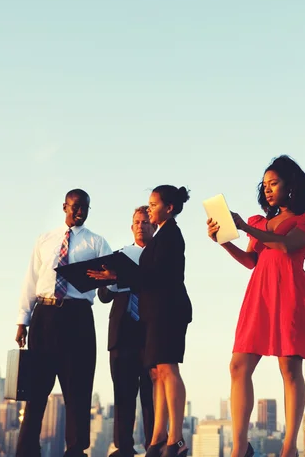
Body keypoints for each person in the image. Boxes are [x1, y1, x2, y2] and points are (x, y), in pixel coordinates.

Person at [207, 155, 305, 457]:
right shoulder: (260, 222)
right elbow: (252, 261)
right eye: (266, 184)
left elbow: (287, 246)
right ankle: (239, 448)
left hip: (290, 293)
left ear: (292, 186)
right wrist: (223, 240)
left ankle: (289, 449)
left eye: (275, 183)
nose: (269, 189)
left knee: (289, 368)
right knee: (238, 366)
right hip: (259, 294)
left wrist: (245, 227)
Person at [90, 185, 192, 457]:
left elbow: (157, 277)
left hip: (167, 313)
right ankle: (158, 438)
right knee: (158, 375)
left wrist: (117, 277)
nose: (149, 210)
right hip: (155, 314)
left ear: (168, 207)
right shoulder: (162, 237)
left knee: (168, 372)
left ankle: (175, 438)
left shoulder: (169, 235)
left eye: (153, 205)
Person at [15, 189, 112, 457]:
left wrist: (108, 278)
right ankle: (25, 451)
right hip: (44, 317)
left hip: (78, 317)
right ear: (65, 207)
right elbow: (31, 281)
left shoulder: (97, 242)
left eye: (86, 208)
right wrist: (22, 321)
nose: (80, 212)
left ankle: (75, 451)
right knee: (35, 390)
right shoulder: (44, 240)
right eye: (76, 206)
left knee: (78, 390)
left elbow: (110, 279)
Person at [97, 206, 156, 457]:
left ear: (154, 226)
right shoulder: (118, 255)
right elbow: (102, 296)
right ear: (131, 227)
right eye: (136, 222)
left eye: (145, 222)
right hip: (122, 332)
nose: (140, 226)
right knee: (123, 393)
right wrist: (109, 283)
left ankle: (155, 444)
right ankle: (124, 448)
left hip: (151, 330)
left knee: (152, 395)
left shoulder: (160, 258)